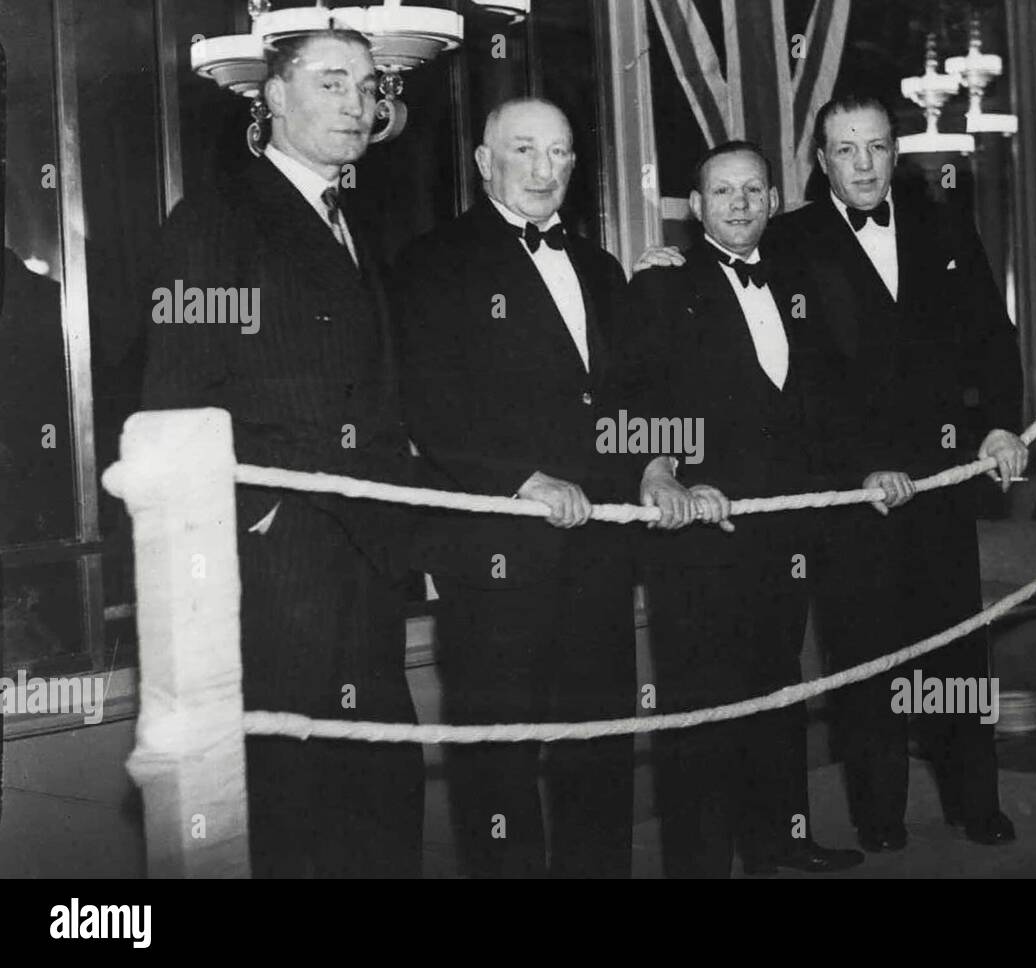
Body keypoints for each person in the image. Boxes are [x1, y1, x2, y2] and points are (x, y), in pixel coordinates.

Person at [141, 28, 424, 875]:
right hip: (278, 559)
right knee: (293, 789)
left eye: (369, 86)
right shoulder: (217, 219)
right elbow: (175, 397)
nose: (358, 103)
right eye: (332, 82)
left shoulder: (351, 220)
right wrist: (255, 517)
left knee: (378, 772)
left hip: (365, 549)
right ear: (272, 97)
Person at [767, 93, 1024, 849]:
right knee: (866, 656)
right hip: (851, 492)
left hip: (943, 482)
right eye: (846, 150)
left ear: (896, 152)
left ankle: (976, 802)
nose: (864, 165)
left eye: (876, 147)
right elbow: (793, 374)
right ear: (821, 162)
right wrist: (667, 264)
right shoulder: (790, 239)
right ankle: (880, 817)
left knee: (956, 648)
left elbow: (992, 336)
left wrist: (1000, 422)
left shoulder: (943, 225)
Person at [393, 97, 640, 876]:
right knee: (498, 758)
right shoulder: (433, 261)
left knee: (598, 741)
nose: (546, 169)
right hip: (496, 553)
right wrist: (521, 480)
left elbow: (624, 398)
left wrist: (656, 465)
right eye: (525, 150)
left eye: (561, 152)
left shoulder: (601, 266)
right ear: (483, 162)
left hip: (598, 548)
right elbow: (424, 401)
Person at [626, 141, 864, 875]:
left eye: (753, 190)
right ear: (695, 209)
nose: (739, 204)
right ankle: (698, 865)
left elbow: (831, 396)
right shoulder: (658, 286)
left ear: (772, 201)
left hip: (784, 531)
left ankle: (779, 839)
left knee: (777, 686)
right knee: (700, 707)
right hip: (697, 532)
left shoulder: (803, 282)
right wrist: (665, 470)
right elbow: (637, 399)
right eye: (722, 192)